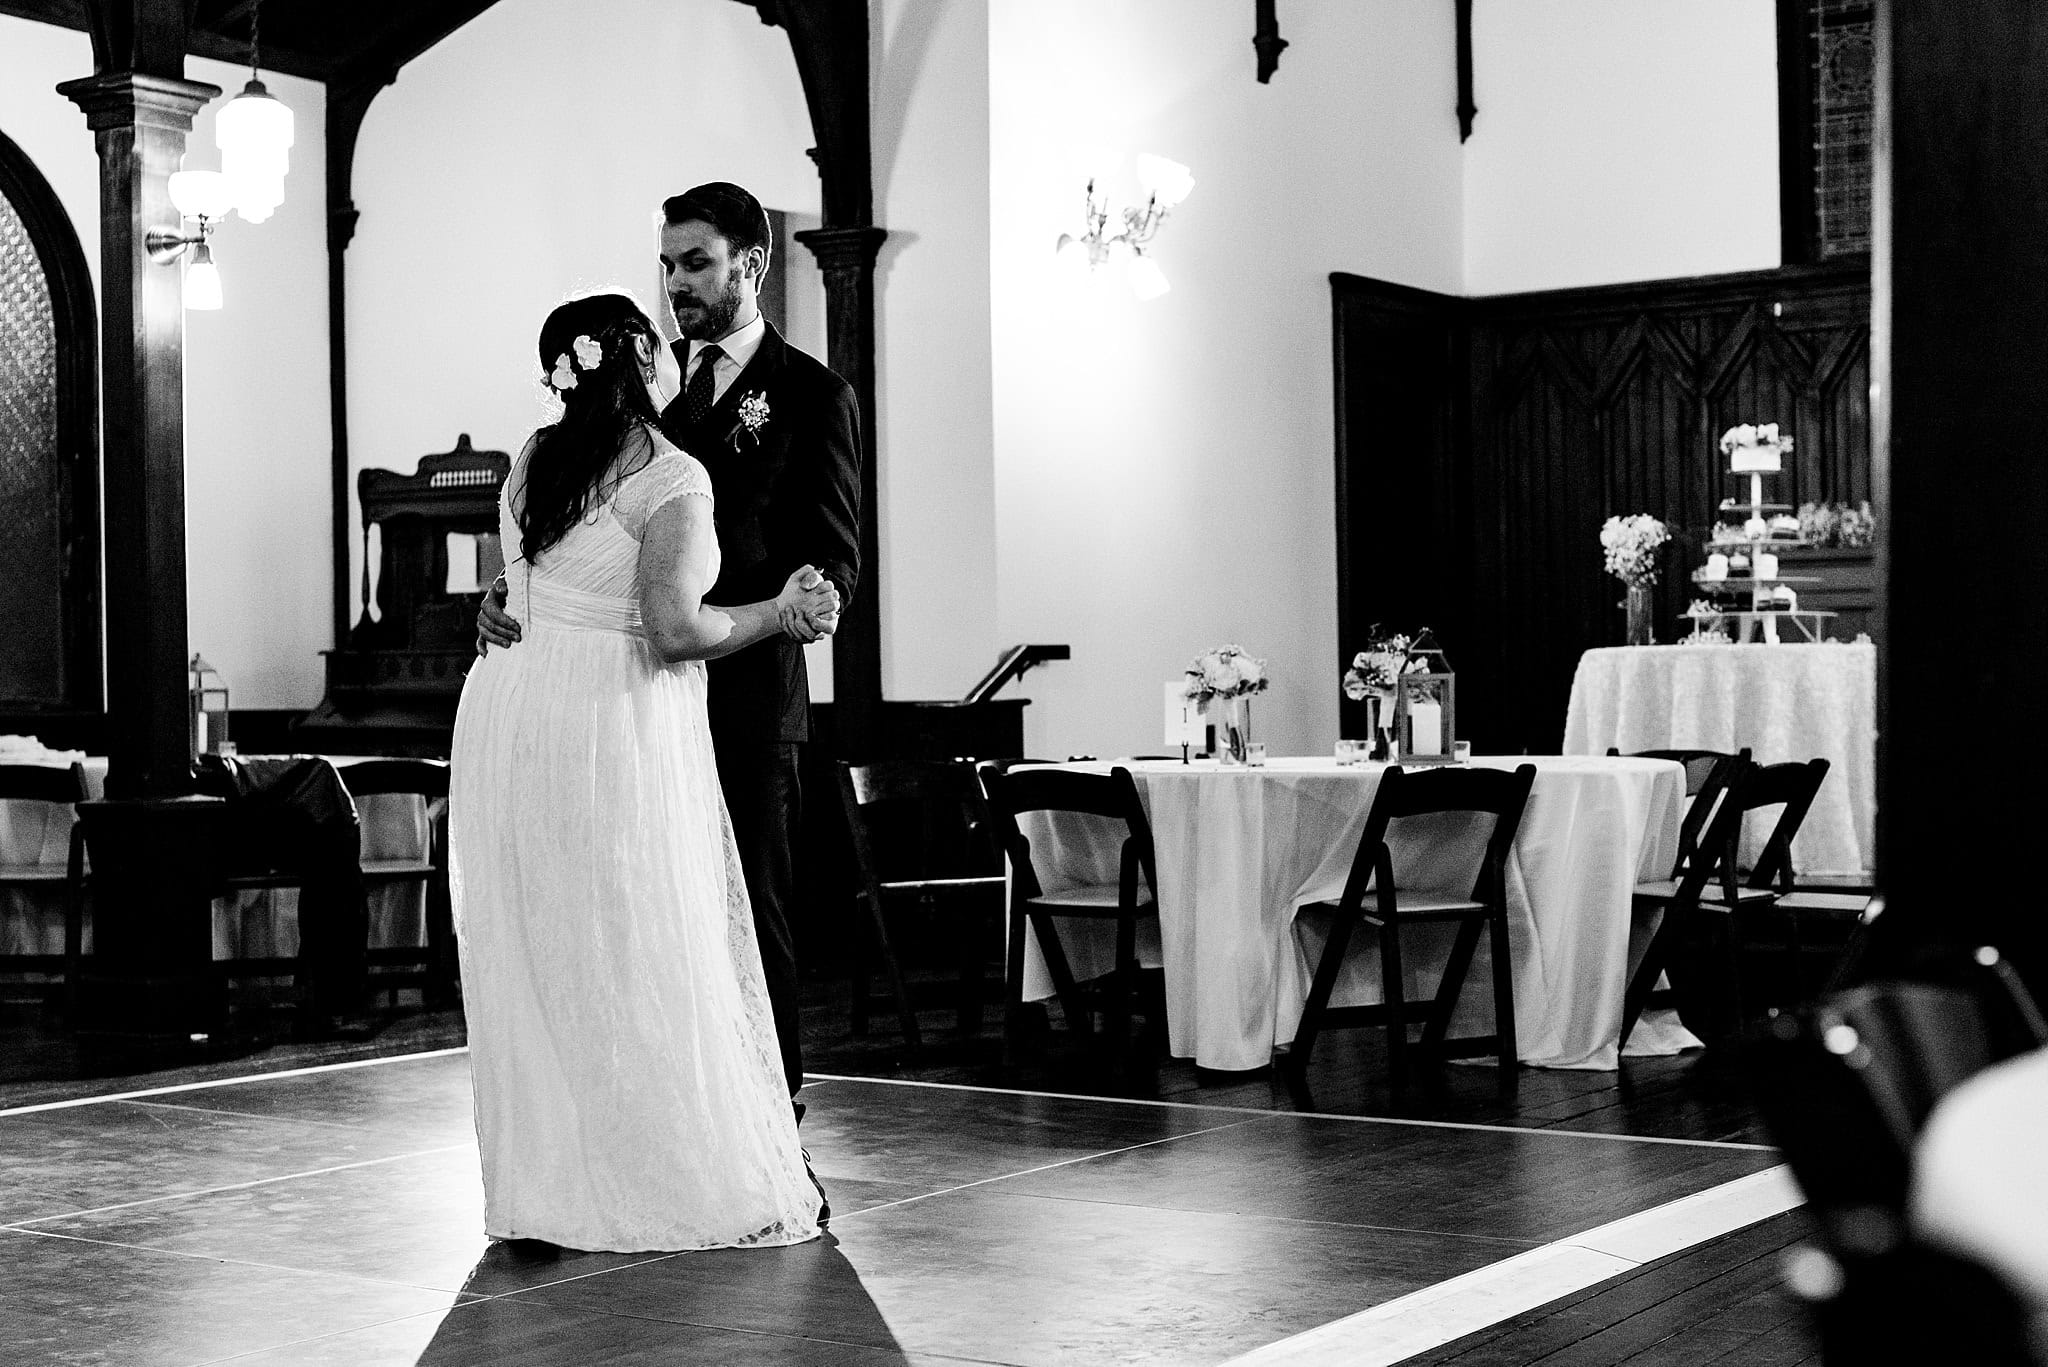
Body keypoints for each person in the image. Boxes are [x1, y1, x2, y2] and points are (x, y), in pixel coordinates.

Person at [450, 290, 836, 1252]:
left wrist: (499, 598)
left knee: (543, 945)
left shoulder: (536, 459)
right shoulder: (670, 476)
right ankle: (650, 1170)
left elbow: (527, 579)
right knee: (639, 938)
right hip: (607, 721)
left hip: (509, 710)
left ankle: (548, 1181)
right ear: (640, 363)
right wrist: (777, 613)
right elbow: (673, 630)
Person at [478, 182, 863, 1124]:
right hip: (634, 703)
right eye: (666, 265)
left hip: (742, 693)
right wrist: (508, 597)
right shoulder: (635, 399)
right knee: (645, 909)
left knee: (749, 909)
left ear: (751, 264)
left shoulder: (813, 393)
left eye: (695, 263)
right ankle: (667, 1108)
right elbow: (585, 536)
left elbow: (835, 553)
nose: (675, 284)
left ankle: (771, 1114)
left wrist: (811, 603)